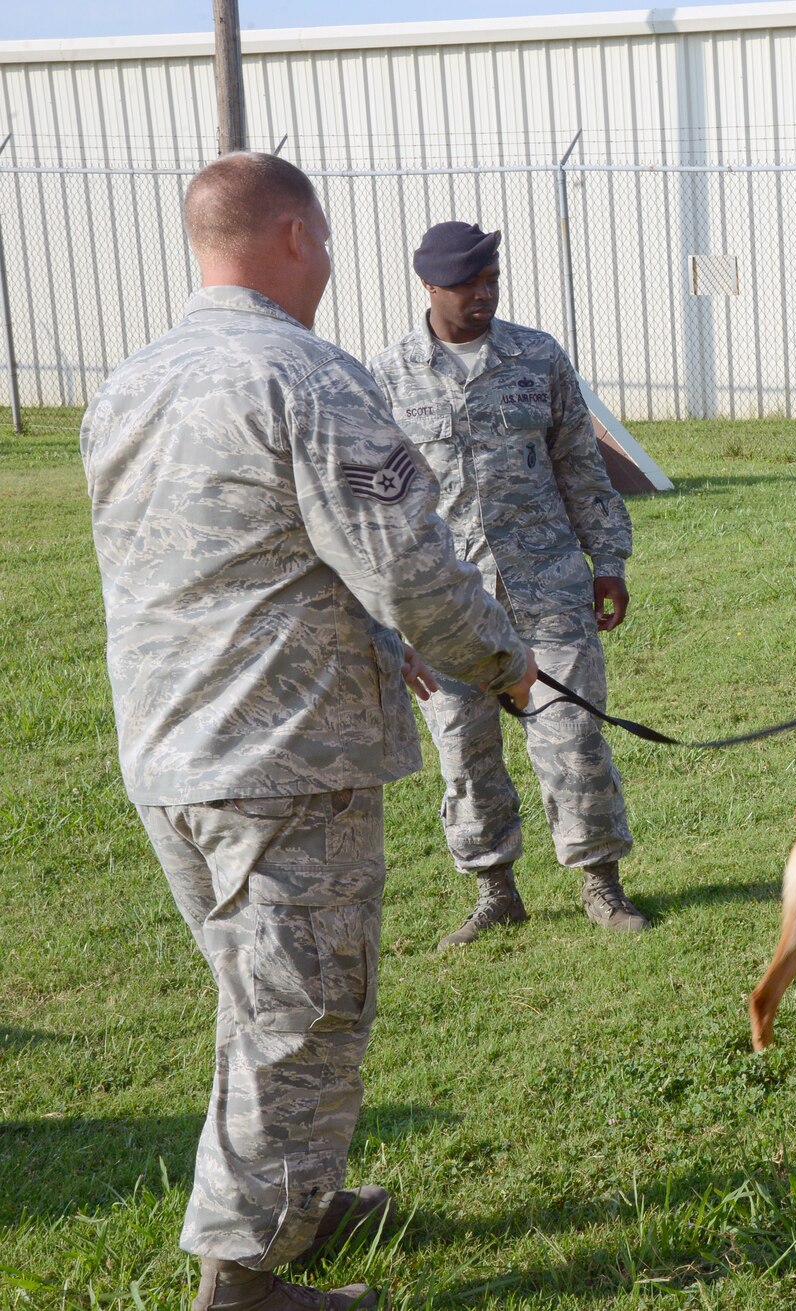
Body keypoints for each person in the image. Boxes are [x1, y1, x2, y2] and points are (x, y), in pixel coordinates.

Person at [80, 153, 537, 1310]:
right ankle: (241, 1280)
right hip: (285, 756)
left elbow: (232, 563)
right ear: (291, 236)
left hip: (173, 755)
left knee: (268, 997)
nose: (330, 264)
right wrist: (501, 659)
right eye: (325, 241)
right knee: (302, 1012)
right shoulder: (305, 375)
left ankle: (301, 1201)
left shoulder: (129, 384)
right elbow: (408, 564)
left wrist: (385, 648)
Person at [368, 222, 645, 947]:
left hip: (547, 585)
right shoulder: (388, 375)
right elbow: (379, 507)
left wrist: (607, 559)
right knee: (463, 748)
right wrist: (390, 615)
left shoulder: (537, 356)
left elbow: (581, 467)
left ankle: (601, 882)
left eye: (492, 278)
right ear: (429, 286)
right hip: (446, 601)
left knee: (573, 734)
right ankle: (496, 889)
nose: (485, 292)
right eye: (468, 282)